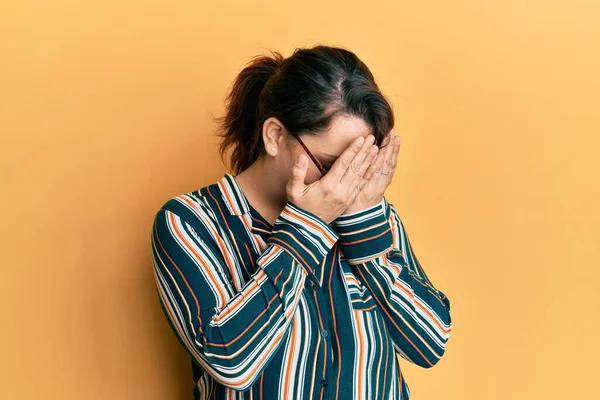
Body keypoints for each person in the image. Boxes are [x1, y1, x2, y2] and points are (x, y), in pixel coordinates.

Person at [151, 45, 452, 400]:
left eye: (359, 164)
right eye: (330, 163)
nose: (346, 181)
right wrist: (307, 227)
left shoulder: (369, 213)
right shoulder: (190, 222)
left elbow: (429, 344)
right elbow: (231, 360)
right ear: (275, 136)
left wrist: (365, 233)